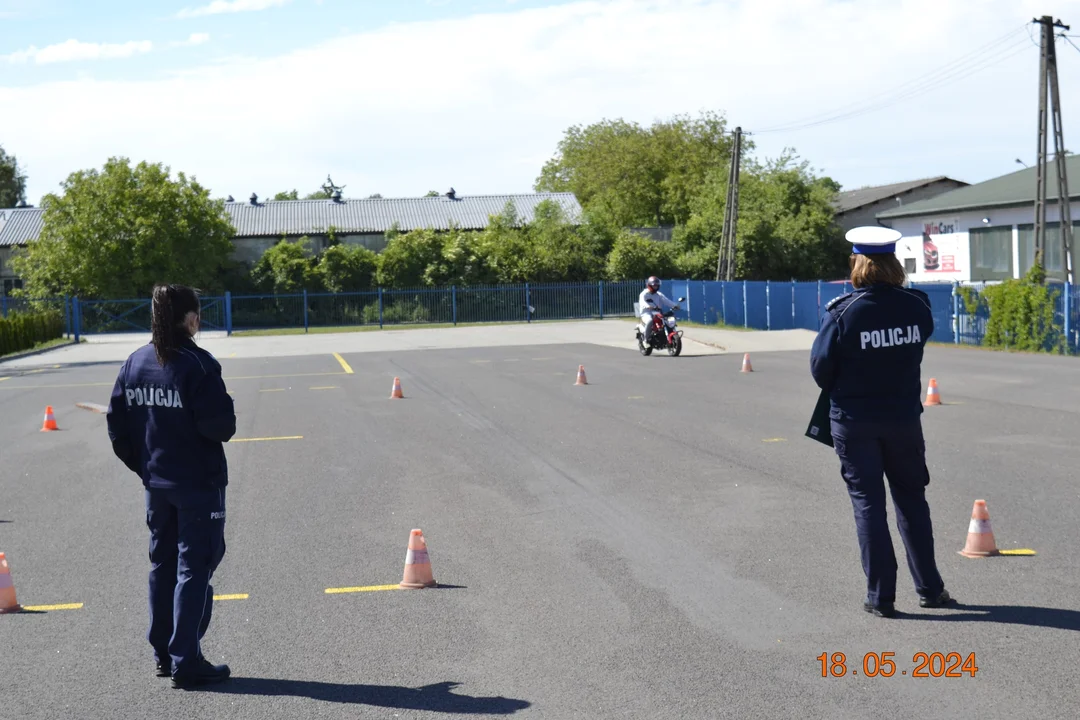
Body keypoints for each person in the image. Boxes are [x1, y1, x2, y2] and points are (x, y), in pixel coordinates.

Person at [809, 226, 955, 618]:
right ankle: (930, 588)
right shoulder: (917, 306)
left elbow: (821, 370)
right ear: (893, 263)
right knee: (912, 501)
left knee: (868, 505)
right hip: (904, 419)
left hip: (855, 422)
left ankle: (881, 598)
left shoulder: (843, 312)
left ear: (857, 263)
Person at [106, 284, 236, 687]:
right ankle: (186, 659)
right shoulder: (197, 365)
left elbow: (117, 427)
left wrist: (146, 468)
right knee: (194, 568)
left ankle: (164, 653)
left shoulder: (135, 362)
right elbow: (222, 426)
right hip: (197, 484)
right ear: (190, 319)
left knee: (163, 566)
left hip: (158, 485)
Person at [638, 276, 678, 345]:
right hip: (646, 313)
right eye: (654, 286)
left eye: (657, 286)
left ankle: (667, 335)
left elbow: (666, 301)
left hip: (657, 312)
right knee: (650, 320)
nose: (656, 287)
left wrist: (675, 305)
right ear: (650, 285)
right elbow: (642, 302)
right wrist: (648, 306)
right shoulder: (644, 294)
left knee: (667, 320)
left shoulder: (659, 294)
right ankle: (646, 340)